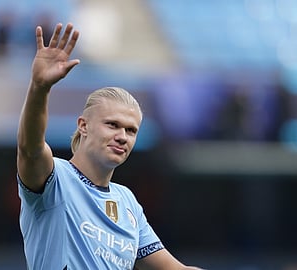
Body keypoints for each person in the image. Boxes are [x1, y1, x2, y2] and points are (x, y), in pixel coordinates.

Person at [16, 22, 204, 270]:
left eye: (131, 130)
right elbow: (30, 148)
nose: (122, 136)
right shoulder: (54, 180)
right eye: (112, 125)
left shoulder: (127, 202)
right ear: (83, 126)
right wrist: (40, 88)